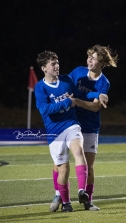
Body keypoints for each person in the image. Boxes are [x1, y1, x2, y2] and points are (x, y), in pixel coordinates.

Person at [35, 50, 108, 212]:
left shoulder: (67, 80)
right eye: (53, 64)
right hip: (54, 130)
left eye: (58, 62)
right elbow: (44, 109)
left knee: (79, 151)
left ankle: (83, 193)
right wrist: (67, 103)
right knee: (62, 167)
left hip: (73, 124)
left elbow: (83, 94)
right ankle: (62, 199)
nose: (57, 66)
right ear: (44, 68)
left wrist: (99, 94)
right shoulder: (41, 87)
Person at [50, 44, 118, 211]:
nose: (90, 60)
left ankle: (87, 200)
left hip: (89, 125)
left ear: (102, 62)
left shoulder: (104, 83)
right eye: (89, 56)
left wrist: (77, 101)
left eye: (94, 58)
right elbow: (68, 88)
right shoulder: (78, 72)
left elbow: (95, 107)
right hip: (69, 122)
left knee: (89, 165)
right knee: (59, 162)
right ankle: (58, 193)